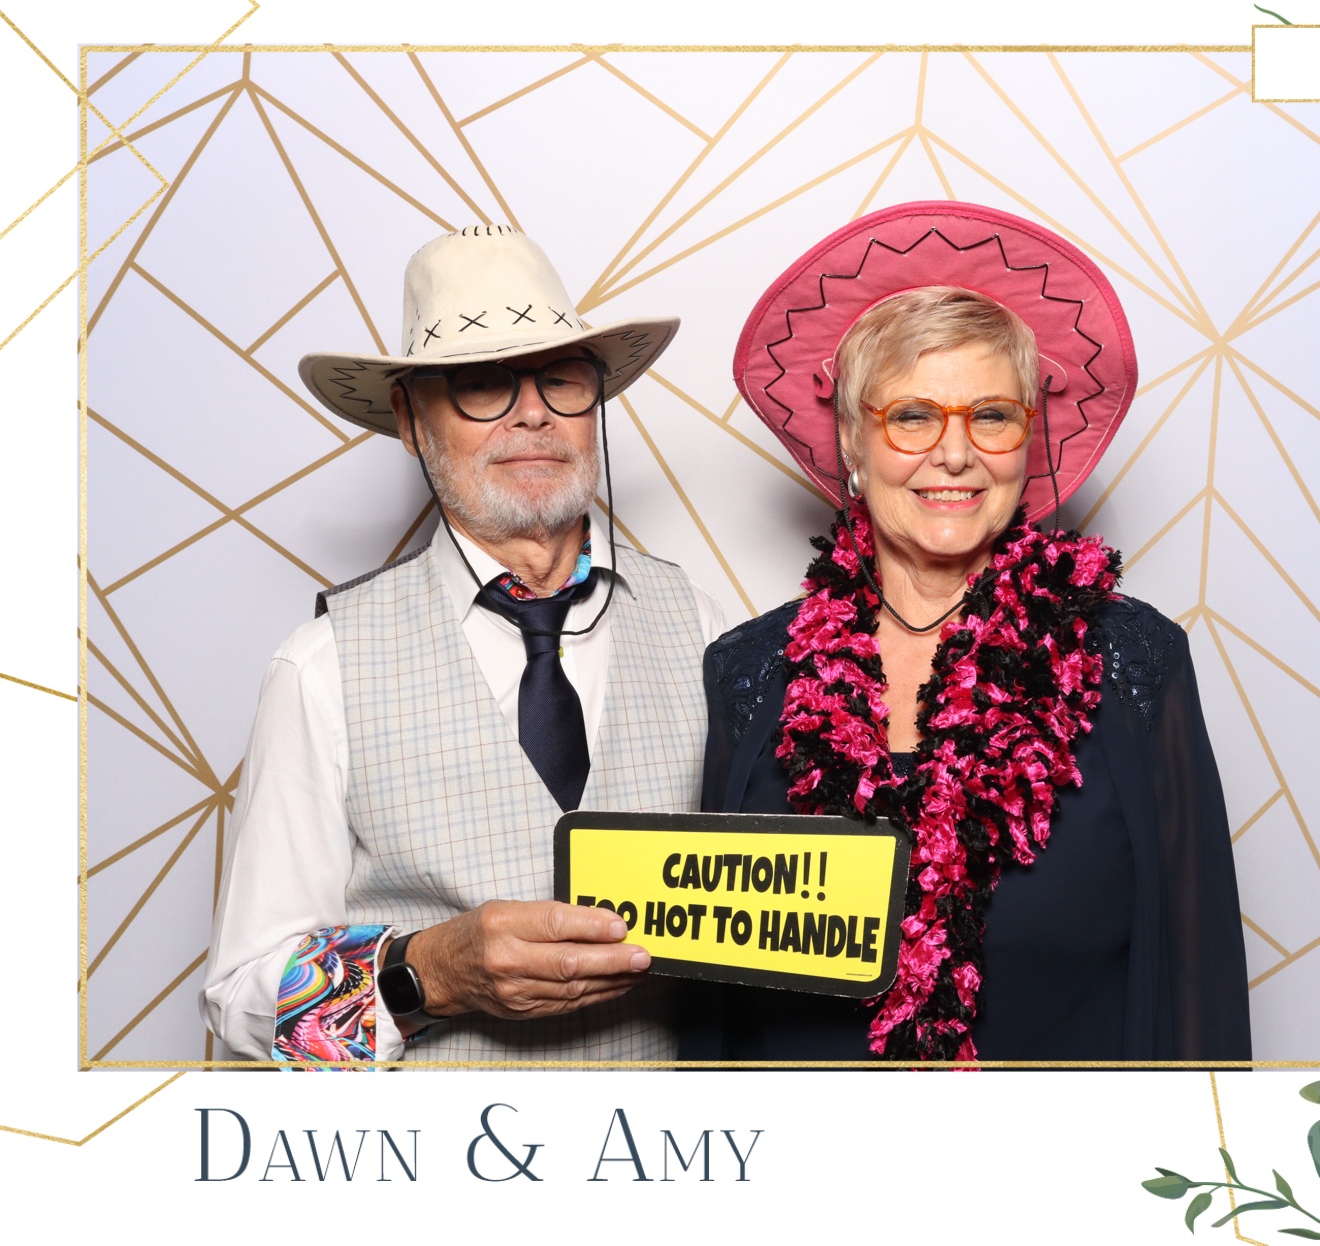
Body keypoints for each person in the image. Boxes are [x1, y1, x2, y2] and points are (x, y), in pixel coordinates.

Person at [687, 202, 1250, 1062]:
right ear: (851, 441)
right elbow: (717, 1006)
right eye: (912, 417)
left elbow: (1195, 973)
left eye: (991, 415)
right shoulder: (752, 673)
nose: (955, 454)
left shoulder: (1131, 662)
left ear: (1028, 440)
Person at [201, 225, 725, 1065]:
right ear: (412, 421)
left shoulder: (700, 624)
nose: (532, 412)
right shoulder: (321, 668)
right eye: (483, 385)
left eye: (561, 380)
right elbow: (241, 995)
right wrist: (425, 976)